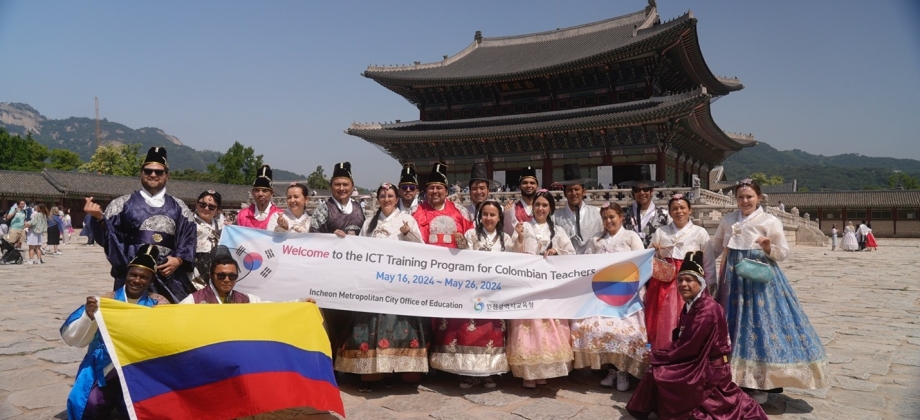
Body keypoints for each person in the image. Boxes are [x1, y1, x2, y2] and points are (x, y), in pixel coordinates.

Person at [712, 179, 828, 403]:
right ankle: (735, 378)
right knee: (732, 325)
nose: (745, 201)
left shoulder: (769, 220)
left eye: (749, 197)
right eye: (741, 197)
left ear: (759, 197)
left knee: (762, 324)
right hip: (732, 280)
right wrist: (702, 268)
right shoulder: (728, 220)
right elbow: (716, 247)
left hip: (759, 279)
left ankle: (763, 383)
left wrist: (767, 247)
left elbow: (783, 252)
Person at [626, 252, 768, 420]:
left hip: (708, 368)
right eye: (680, 280)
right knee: (657, 372)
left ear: (700, 283)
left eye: (689, 280)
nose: (683, 284)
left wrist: (655, 356)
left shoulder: (706, 310)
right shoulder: (692, 305)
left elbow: (688, 347)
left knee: (659, 373)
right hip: (696, 361)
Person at [337, 183, 428, 393]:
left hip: (397, 284)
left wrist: (408, 235)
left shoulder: (407, 220)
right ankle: (370, 374)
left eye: (390, 196)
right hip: (373, 285)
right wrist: (345, 241)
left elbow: (421, 251)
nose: (386, 199)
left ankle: (392, 372)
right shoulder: (369, 222)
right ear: (377, 199)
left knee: (397, 329)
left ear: (397, 199)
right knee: (369, 329)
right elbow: (359, 250)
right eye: (383, 196)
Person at [61, 244, 170, 420]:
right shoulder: (106, 301)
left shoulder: (159, 304)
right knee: (88, 405)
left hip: (139, 368)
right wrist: (89, 316)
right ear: (126, 275)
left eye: (143, 277)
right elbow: (76, 339)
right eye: (133, 275)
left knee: (144, 411)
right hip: (104, 366)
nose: (136, 280)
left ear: (151, 281)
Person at [84, 146, 197, 303]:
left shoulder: (180, 207)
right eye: (148, 171)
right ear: (141, 173)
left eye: (158, 172)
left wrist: (178, 260)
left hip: (168, 277)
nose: (153, 175)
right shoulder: (121, 204)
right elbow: (110, 238)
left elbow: (189, 237)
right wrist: (99, 219)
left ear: (167, 176)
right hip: (133, 277)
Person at [430, 200, 511, 389]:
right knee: (469, 331)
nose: (488, 218)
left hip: (495, 293)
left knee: (491, 333)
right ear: (480, 216)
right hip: (472, 291)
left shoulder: (506, 239)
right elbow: (463, 261)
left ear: (499, 218)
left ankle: (488, 373)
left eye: (492, 215)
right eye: (485, 214)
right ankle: (468, 374)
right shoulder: (471, 234)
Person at [572, 202, 649, 391]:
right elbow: (587, 264)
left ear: (621, 217)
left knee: (624, 331)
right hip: (601, 293)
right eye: (605, 218)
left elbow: (641, 262)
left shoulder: (631, 237)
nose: (608, 221)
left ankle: (622, 371)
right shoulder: (596, 239)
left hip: (627, 293)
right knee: (594, 327)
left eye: (612, 217)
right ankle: (611, 370)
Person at [507, 190, 575, 388]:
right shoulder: (523, 227)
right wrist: (519, 239)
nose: (540, 208)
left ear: (550, 208)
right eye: (537, 205)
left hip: (549, 288)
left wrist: (556, 252)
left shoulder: (558, 231)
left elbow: (570, 253)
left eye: (545, 205)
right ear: (532, 207)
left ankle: (544, 369)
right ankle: (528, 372)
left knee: (547, 327)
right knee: (527, 328)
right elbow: (511, 254)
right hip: (527, 285)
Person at [646, 194, 715, 352]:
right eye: (674, 209)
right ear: (669, 212)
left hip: (689, 281)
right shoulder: (661, 231)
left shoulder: (700, 232)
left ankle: (686, 354)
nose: (679, 211)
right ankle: (662, 352)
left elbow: (708, 261)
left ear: (690, 210)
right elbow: (651, 258)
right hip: (664, 282)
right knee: (663, 318)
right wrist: (655, 252)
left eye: (683, 207)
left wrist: (709, 285)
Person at [412, 162, 472, 248]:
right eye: (431, 188)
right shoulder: (415, 211)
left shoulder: (461, 212)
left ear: (447, 191)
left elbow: (472, 240)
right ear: (426, 190)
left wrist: (462, 242)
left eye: (439, 188)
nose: (435, 191)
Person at [552, 163, 602, 255]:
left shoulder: (597, 214)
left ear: (584, 191)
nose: (574, 193)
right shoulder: (556, 217)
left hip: (592, 264)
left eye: (576, 189)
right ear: (564, 193)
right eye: (570, 190)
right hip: (567, 264)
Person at [311, 162, 365, 236]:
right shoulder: (323, 209)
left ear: (352, 187)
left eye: (345, 185)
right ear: (331, 186)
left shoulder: (359, 208)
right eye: (337, 185)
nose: (341, 188)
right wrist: (331, 237)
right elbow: (313, 235)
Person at [622, 165, 670, 248]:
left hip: (654, 259)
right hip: (630, 259)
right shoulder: (622, 214)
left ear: (651, 191)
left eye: (646, 189)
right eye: (637, 190)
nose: (642, 193)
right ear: (633, 192)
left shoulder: (664, 215)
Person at [189, 190, 223, 290]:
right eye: (203, 205)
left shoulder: (221, 225)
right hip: (195, 268)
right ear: (196, 204)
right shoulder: (188, 223)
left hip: (216, 267)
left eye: (211, 207)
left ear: (217, 210)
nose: (206, 208)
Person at [236, 165, 284, 229]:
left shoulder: (279, 215)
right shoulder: (242, 215)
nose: (260, 194)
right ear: (253, 192)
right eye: (257, 190)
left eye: (264, 191)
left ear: (272, 193)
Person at [503, 166, 539, 235]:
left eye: (532, 183)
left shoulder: (542, 208)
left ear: (537, 186)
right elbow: (509, 233)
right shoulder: (512, 208)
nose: (528, 185)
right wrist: (508, 214)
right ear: (519, 186)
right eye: (525, 183)